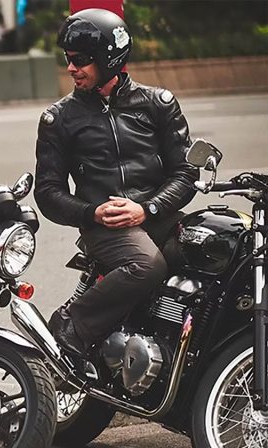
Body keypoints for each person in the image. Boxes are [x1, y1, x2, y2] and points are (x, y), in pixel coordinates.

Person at [34, 9, 198, 364]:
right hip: (105, 224)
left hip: (158, 213)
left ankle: (179, 353)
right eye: (68, 59)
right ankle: (71, 324)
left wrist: (149, 207)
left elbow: (186, 173)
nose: (71, 68)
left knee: (216, 254)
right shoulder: (59, 119)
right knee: (146, 266)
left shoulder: (157, 104)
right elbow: (47, 192)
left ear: (110, 59)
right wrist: (92, 212)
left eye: (81, 60)